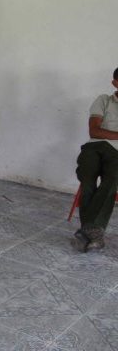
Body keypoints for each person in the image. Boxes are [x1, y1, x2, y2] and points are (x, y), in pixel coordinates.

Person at [73, 67, 118, 252]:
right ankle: (94, 233)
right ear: (115, 83)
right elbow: (94, 131)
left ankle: (88, 231)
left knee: (112, 180)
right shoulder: (104, 100)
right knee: (87, 178)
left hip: (117, 153)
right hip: (94, 147)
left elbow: (101, 130)